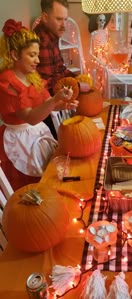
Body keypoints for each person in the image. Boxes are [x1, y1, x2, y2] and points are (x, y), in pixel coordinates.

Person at [0, 19, 79, 191]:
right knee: (29, 189)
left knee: (48, 177)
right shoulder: (7, 82)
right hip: (19, 140)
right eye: (31, 55)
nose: (37, 60)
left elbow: (46, 105)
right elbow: (31, 117)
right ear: (15, 55)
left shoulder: (31, 76)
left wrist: (63, 104)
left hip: (36, 134)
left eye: (37, 54)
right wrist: (53, 101)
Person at [33, 0, 76, 95]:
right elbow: (49, 86)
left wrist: (77, 78)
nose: (64, 26)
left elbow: (60, 69)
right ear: (45, 17)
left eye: (65, 20)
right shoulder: (42, 42)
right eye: (59, 19)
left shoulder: (52, 35)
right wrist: (76, 85)